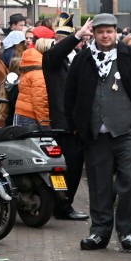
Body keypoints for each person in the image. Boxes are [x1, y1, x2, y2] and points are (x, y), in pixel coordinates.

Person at [64, 13, 131, 252]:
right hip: (96, 134)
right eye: (100, 32)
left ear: (116, 32)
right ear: (94, 34)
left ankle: (126, 232)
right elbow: (70, 93)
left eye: (109, 31)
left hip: (128, 131)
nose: (105, 35)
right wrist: (76, 125)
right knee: (99, 186)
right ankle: (99, 232)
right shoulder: (84, 59)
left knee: (130, 179)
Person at [42, 16, 89, 221]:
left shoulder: (79, 59)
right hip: (63, 124)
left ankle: (64, 203)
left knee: (76, 168)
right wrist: (76, 35)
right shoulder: (52, 60)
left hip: (79, 124)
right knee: (64, 169)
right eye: (61, 39)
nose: (64, 43)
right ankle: (61, 205)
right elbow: (57, 52)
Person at [13, 37, 51, 127]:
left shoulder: (31, 66)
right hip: (31, 116)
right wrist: (45, 123)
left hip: (22, 112)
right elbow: (40, 101)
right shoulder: (39, 73)